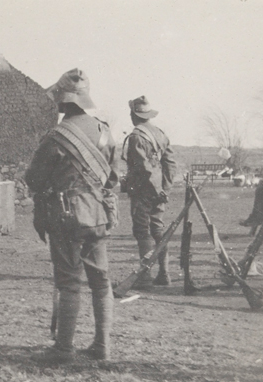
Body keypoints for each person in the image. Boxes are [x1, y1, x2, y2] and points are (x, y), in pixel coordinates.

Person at [25, 68, 119, 362]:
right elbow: (114, 178)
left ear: (63, 102)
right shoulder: (105, 132)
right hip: (98, 217)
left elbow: (34, 179)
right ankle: (102, 347)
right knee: (101, 283)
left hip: (66, 218)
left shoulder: (56, 136)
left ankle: (64, 348)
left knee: (68, 283)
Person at [124, 96, 176, 287]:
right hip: (159, 190)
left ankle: (145, 276)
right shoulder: (160, 134)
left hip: (143, 191)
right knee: (158, 229)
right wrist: (165, 189)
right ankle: (164, 274)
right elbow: (170, 164)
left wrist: (157, 189)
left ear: (133, 115)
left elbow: (145, 168)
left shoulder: (136, 136)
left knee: (142, 231)